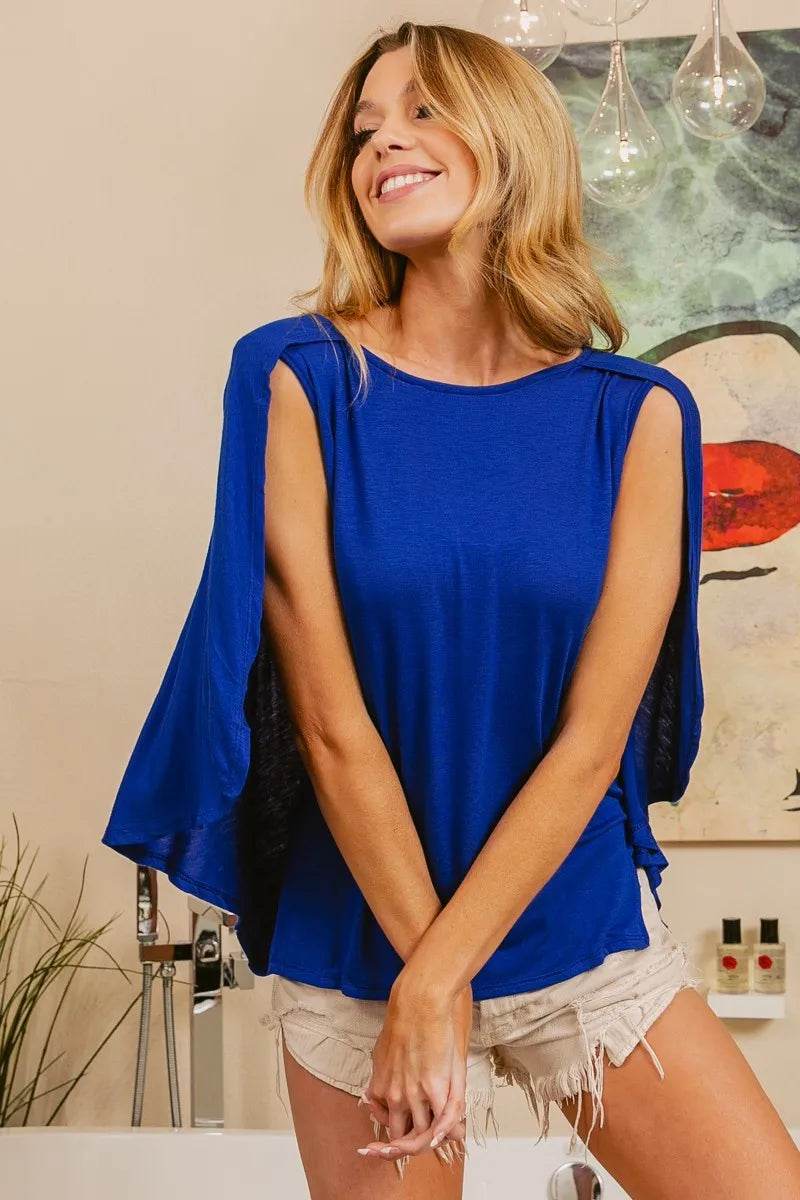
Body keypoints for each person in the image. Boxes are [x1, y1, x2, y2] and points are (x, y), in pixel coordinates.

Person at [102, 20, 800, 1200]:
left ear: (510, 139)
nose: (384, 143)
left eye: (421, 110)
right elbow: (327, 724)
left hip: (570, 924)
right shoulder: (296, 376)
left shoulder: (636, 415)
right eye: (363, 129)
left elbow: (591, 746)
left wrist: (437, 984)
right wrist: (411, 977)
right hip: (355, 935)